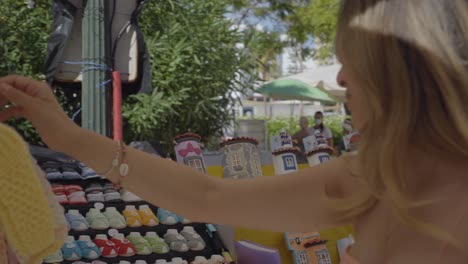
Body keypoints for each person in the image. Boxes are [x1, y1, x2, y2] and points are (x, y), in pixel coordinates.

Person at [1, 1, 468, 263]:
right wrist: (66, 136)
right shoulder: (373, 177)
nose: (342, 79)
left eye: (354, 60)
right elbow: (209, 198)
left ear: (402, 72)